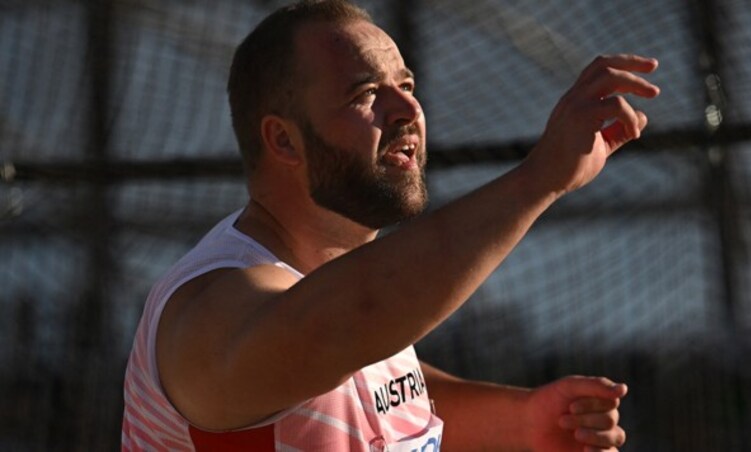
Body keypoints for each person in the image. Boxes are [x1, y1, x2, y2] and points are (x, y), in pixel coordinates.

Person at [121, 0, 660, 450]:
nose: (408, 108)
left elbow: (371, 378)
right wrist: (539, 178)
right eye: (365, 95)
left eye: (406, 84)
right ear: (284, 140)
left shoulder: (346, 313)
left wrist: (521, 418)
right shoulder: (212, 305)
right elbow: (339, 329)